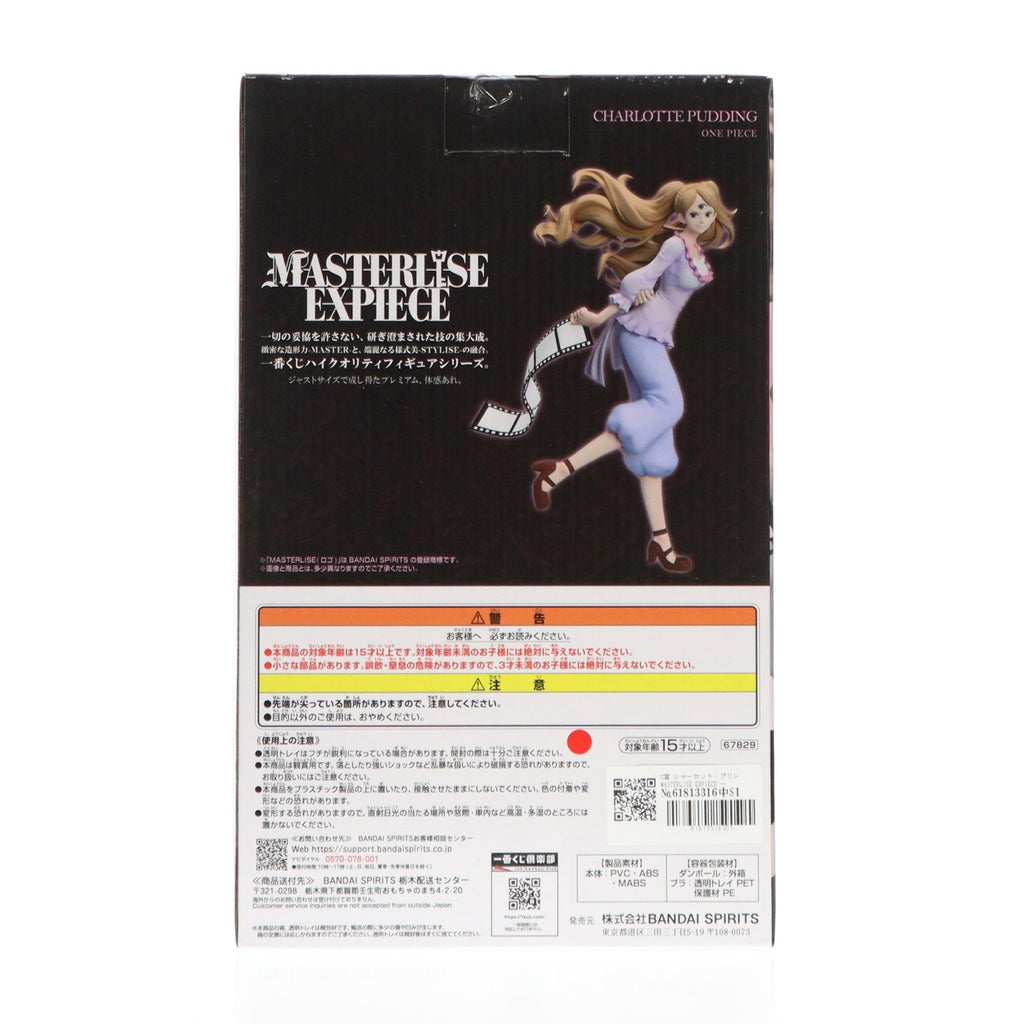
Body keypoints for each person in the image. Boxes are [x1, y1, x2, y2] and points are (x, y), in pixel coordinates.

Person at [531, 168, 736, 573]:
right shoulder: (675, 245)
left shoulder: (694, 249)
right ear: (681, 216)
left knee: (653, 442)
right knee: (668, 405)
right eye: (696, 212)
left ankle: (662, 544)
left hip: (652, 334)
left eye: (707, 211)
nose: (703, 218)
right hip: (640, 333)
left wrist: (607, 313)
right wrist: (616, 304)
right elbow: (639, 279)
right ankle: (559, 470)